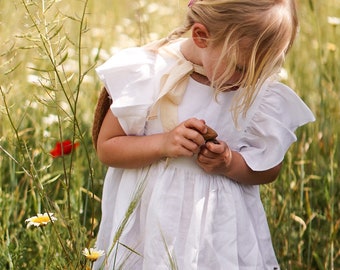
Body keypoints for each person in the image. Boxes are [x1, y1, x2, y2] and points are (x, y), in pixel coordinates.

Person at [92, 0, 315, 269]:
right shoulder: (149, 72)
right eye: (241, 68)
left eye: (263, 68)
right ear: (201, 36)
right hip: (147, 234)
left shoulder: (257, 93)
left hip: (219, 240)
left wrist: (230, 163)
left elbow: (269, 169)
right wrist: (163, 143)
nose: (249, 80)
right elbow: (107, 148)